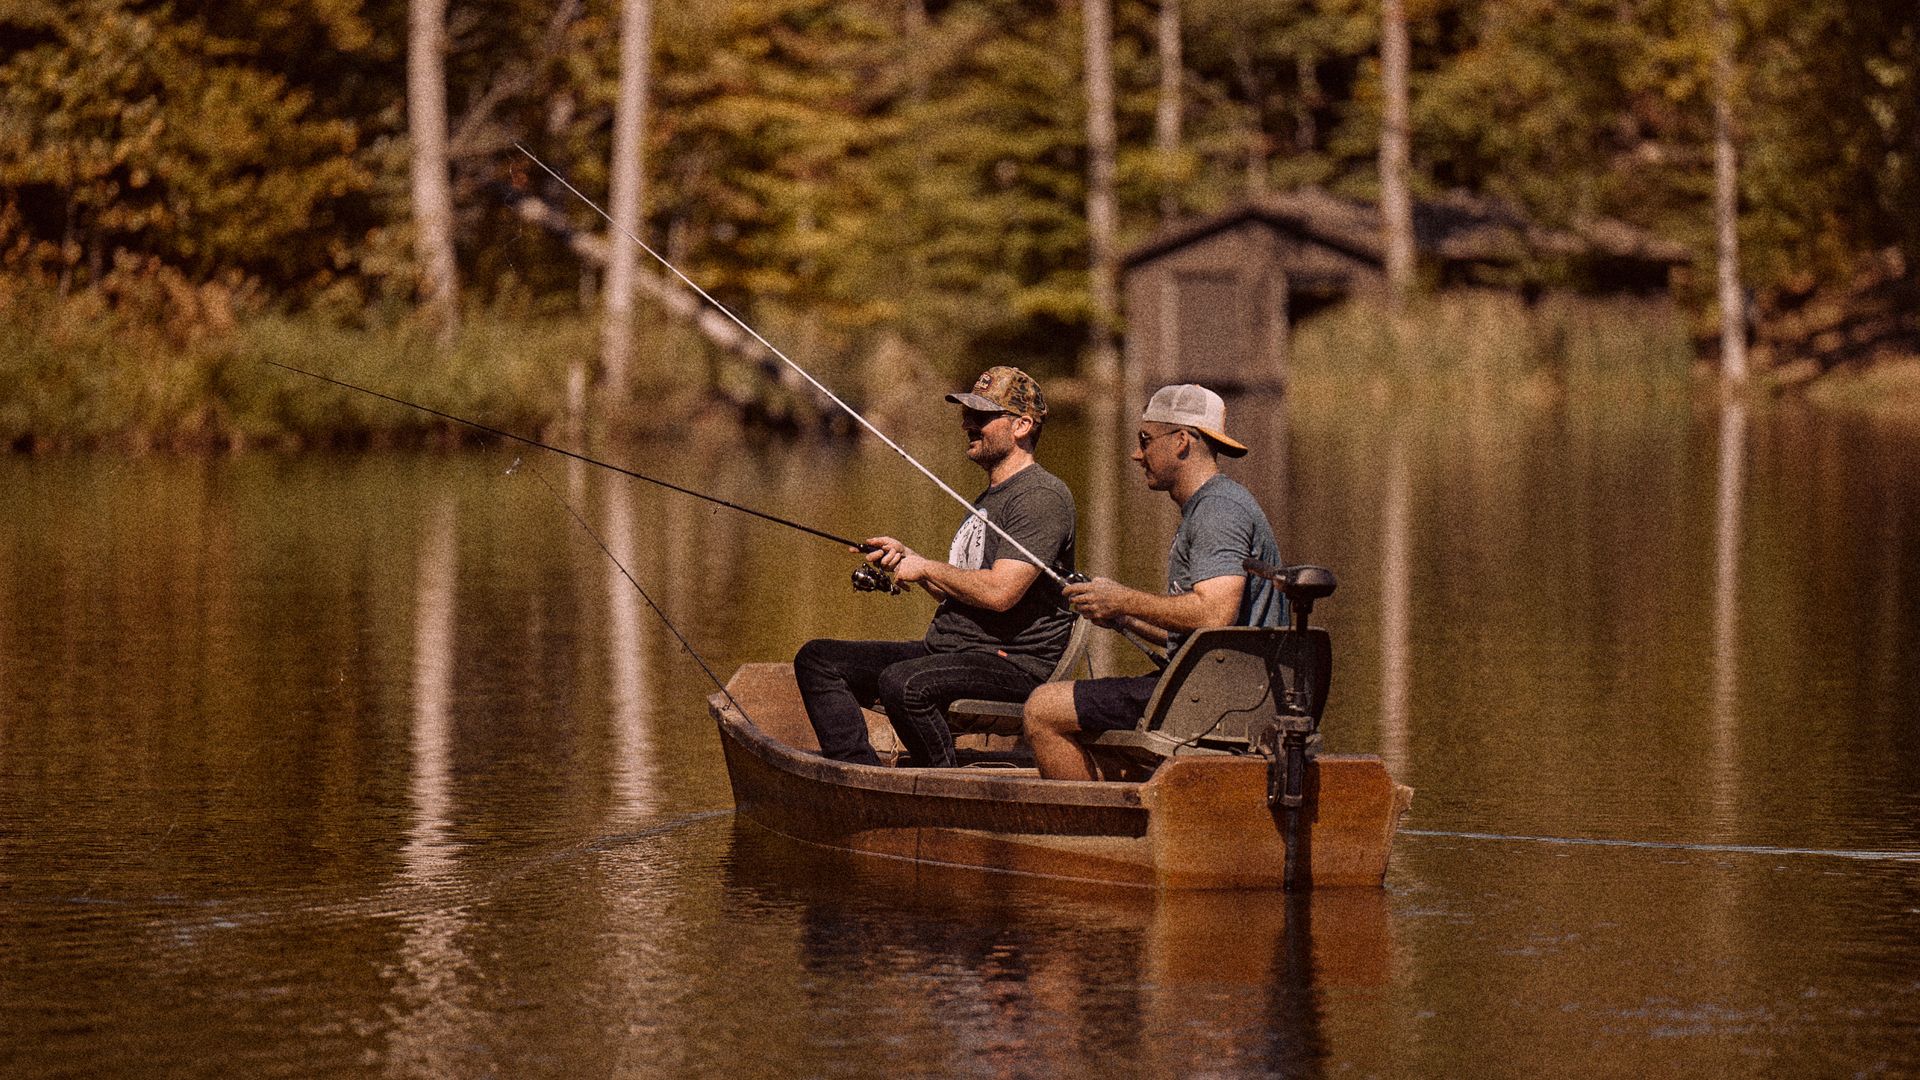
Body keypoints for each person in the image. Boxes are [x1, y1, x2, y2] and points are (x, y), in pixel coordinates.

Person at [794, 366, 1077, 768]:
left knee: (905, 684)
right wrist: (908, 559)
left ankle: (943, 779)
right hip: (951, 651)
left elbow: (1000, 593)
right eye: (967, 414)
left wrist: (926, 567)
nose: (967, 424)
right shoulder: (989, 498)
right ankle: (862, 775)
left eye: (981, 417)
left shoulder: (1041, 497)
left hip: (1011, 663)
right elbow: (960, 592)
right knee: (818, 660)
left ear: (1022, 426)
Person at [1023, 383, 1282, 780]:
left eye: (1145, 440)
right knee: (1093, 735)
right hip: (1223, 687)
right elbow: (1207, 638)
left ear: (1181, 441)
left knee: (1042, 709)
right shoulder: (1213, 506)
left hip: (1216, 697)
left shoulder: (1218, 511)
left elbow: (1214, 614)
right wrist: (1122, 617)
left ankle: (1093, 837)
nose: (1136, 453)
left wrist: (1124, 599)